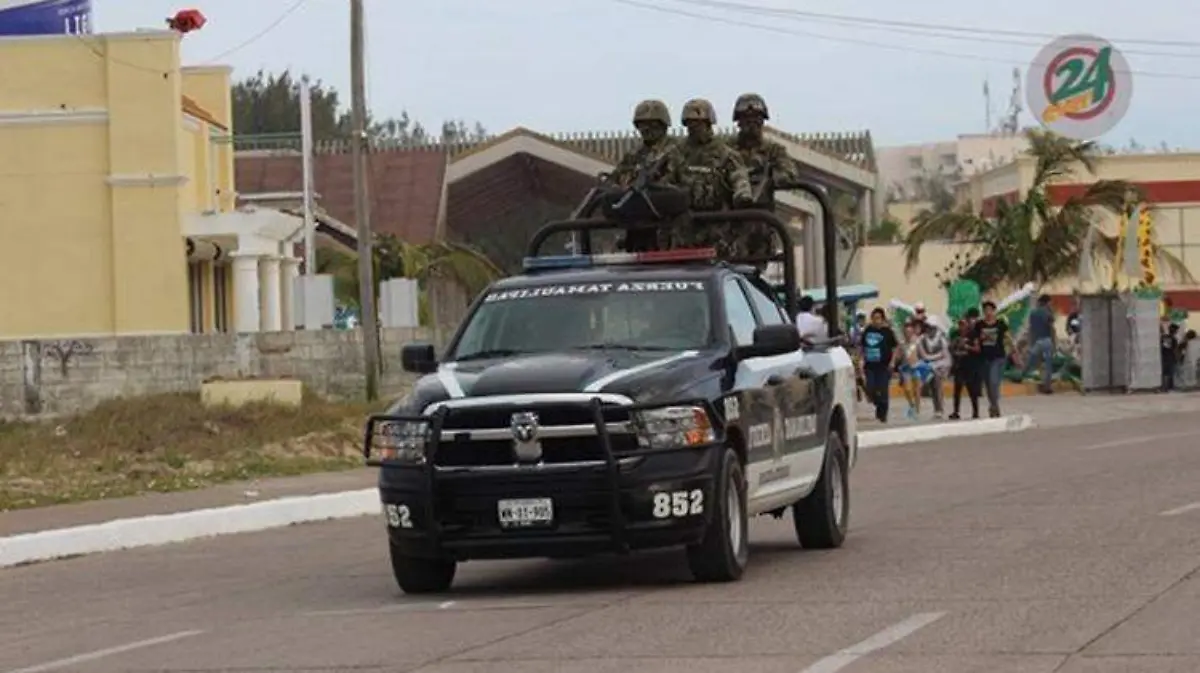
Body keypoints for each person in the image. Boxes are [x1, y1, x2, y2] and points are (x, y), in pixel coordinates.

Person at [662, 98, 753, 252]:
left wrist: (742, 195)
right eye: (690, 124)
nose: (694, 128)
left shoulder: (725, 153)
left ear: (708, 123)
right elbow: (665, 181)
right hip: (685, 227)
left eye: (698, 124)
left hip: (717, 227)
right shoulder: (676, 153)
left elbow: (739, 178)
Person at [726, 93, 803, 261]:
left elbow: (789, 172)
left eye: (756, 119)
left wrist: (776, 177)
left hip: (760, 220)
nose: (751, 124)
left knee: (756, 269)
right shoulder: (726, 149)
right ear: (738, 122)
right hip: (728, 220)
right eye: (746, 119)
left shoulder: (773, 150)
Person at [609, 99, 679, 187]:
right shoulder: (633, 154)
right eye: (641, 124)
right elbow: (615, 178)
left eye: (652, 124)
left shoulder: (678, 150)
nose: (646, 128)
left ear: (663, 125)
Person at [972, 300, 1017, 418]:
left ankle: (994, 406)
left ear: (994, 311)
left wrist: (1014, 351)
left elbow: (1008, 337)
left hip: (998, 357)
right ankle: (993, 405)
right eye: (985, 310)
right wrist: (978, 343)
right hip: (984, 357)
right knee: (988, 384)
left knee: (993, 381)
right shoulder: (979, 325)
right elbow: (976, 340)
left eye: (990, 310)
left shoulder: (1000, 324)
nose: (988, 313)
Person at [860, 307, 899, 423]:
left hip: (883, 366)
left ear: (882, 319)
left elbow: (896, 347)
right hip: (870, 366)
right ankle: (877, 404)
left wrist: (892, 362)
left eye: (878, 318)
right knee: (870, 388)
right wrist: (861, 360)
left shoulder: (887, 332)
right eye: (874, 318)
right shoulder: (868, 331)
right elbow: (862, 346)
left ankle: (882, 415)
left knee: (883, 391)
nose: (876, 321)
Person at [949, 312, 983, 420]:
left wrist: (967, 347)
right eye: (960, 325)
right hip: (959, 365)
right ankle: (956, 411)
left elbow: (978, 349)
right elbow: (951, 349)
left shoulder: (973, 335)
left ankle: (975, 411)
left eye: (963, 324)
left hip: (970, 365)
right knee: (957, 389)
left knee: (971, 389)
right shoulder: (956, 335)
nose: (961, 327)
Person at [916, 318, 952, 419]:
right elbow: (924, 356)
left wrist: (934, 360)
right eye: (928, 327)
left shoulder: (941, 339)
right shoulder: (921, 339)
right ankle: (922, 408)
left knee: (937, 384)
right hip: (927, 365)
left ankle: (939, 409)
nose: (930, 329)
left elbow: (945, 356)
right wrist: (935, 357)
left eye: (932, 327)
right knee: (930, 386)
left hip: (941, 365)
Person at [1020, 294, 1056, 394]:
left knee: (1030, 361)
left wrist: (1030, 342)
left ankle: (1021, 376)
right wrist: (1054, 342)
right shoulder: (1048, 313)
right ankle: (1047, 386)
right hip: (1046, 340)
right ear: (1047, 302)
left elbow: (1031, 329)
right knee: (1048, 364)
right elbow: (1051, 327)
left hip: (1036, 341)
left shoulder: (1033, 313)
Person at [1161, 319, 1180, 392]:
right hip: (1170, 357)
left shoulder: (1164, 337)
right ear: (1175, 331)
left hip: (1164, 356)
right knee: (1170, 373)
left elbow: (1164, 347)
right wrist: (1177, 357)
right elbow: (1175, 350)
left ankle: (1164, 387)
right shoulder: (1174, 339)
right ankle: (1169, 388)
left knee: (1165, 373)